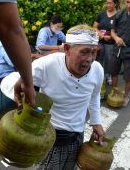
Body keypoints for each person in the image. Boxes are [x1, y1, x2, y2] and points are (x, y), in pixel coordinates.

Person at [13, 25, 105, 169]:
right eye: (84, 52)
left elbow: (94, 96)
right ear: (67, 49)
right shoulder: (46, 65)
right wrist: (19, 99)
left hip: (77, 137)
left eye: (94, 52)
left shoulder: (98, 70)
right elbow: (21, 84)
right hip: (49, 139)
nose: (89, 59)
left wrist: (96, 122)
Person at [0, 0, 35, 107]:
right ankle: (19, 109)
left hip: (12, 72)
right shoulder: (3, 43)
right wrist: (27, 83)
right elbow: (11, 31)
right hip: (2, 75)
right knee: (23, 89)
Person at [94, 0, 118, 85]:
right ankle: (99, 76)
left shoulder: (118, 15)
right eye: (107, 3)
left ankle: (108, 76)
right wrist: (102, 35)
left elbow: (121, 30)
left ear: (115, 4)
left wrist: (112, 37)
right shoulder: (101, 14)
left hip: (111, 43)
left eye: (110, 3)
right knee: (99, 59)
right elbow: (95, 27)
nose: (108, 5)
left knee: (109, 60)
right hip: (100, 41)